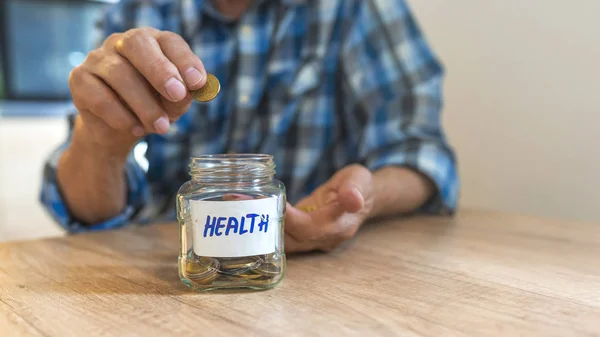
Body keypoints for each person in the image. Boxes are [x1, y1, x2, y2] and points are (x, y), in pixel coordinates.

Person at [40, 0, 459, 253]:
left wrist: (365, 198)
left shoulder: (353, 8)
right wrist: (99, 143)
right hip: (175, 268)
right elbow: (87, 214)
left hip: (318, 277)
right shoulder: (133, 13)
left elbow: (423, 153)